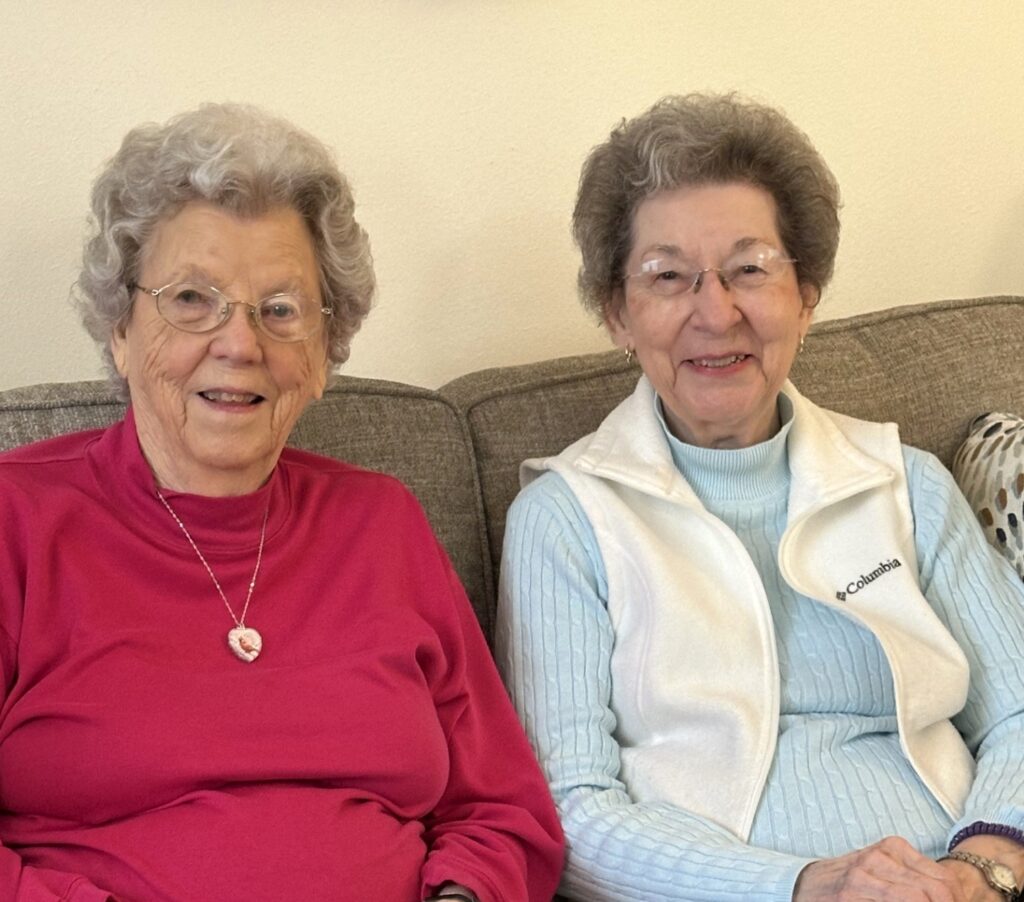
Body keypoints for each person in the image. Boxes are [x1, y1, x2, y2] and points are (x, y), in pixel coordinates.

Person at [0, 103, 562, 901]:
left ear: (325, 352)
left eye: (281, 309)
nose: (240, 343)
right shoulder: (16, 522)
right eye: (192, 298)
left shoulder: (382, 524)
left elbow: (502, 807)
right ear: (120, 330)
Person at [496, 93, 1024, 901]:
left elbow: (1019, 716)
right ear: (617, 314)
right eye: (668, 277)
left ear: (805, 295)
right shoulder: (565, 520)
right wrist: (805, 885)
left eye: (751, 268)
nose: (717, 312)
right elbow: (571, 813)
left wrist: (977, 872)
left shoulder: (906, 483)